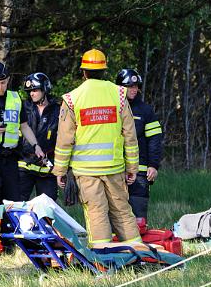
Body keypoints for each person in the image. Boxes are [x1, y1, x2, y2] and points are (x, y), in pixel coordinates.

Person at [51, 49, 142, 247]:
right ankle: (139, 253)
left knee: (96, 213)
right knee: (122, 210)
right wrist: (132, 168)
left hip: (86, 172)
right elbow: (130, 135)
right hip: (115, 167)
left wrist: (60, 171)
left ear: (84, 72)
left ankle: (102, 258)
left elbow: (65, 140)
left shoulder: (72, 99)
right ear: (104, 71)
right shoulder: (118, 95)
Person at [0, 61, 45, 242]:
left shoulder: (15, 98)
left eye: (3, 82)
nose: (0, 86)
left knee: (12, 198)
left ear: (8, 80)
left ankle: (8, 240)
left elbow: (24, 126)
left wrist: (36, 145)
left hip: (10, 156)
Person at [116, 69, 163, 226]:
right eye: (129, 86)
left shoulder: (146, 111)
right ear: (119, 87)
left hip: (140, 172)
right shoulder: (111, 109)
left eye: (136, 86)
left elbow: (155, 140)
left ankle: (140, 248)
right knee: (115, 216)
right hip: (114, 170)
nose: (134, 90)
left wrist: (153, 165)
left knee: (139, 218)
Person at [18, 72, 60, 201]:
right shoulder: (23, 108)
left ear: (45, 89)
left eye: (35, 90)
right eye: (30, 91)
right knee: (18, 204)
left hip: (47, 167)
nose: (31, 93)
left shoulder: (58, 110)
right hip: (24, 164)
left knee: (47, 207)